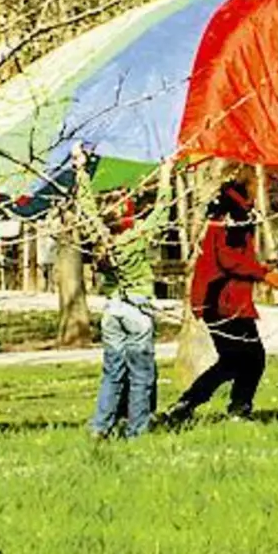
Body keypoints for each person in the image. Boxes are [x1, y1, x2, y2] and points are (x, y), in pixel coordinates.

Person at [159, 176, 278, 426]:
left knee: (234, 361)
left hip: (223, 300)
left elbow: (235, 257)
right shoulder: (233, 218)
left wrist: (261, 267)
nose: (261, 187)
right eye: (254, 185)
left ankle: (186, 406)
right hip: (224, 302)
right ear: (244, 189)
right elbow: (228, 259)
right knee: (250, 358)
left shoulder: (232, 215)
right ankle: (234, 408)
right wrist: (264, 275)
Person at [72, 146, 174, 440]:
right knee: (141, 375)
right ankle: (136, 431)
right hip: (137, 310)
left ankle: (100, 427)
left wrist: (80, 169)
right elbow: (162, 210)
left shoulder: (99, 238)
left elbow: (87, 209)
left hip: (112, 310)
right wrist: (166, 173)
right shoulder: (135, 238)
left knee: (112, 373)